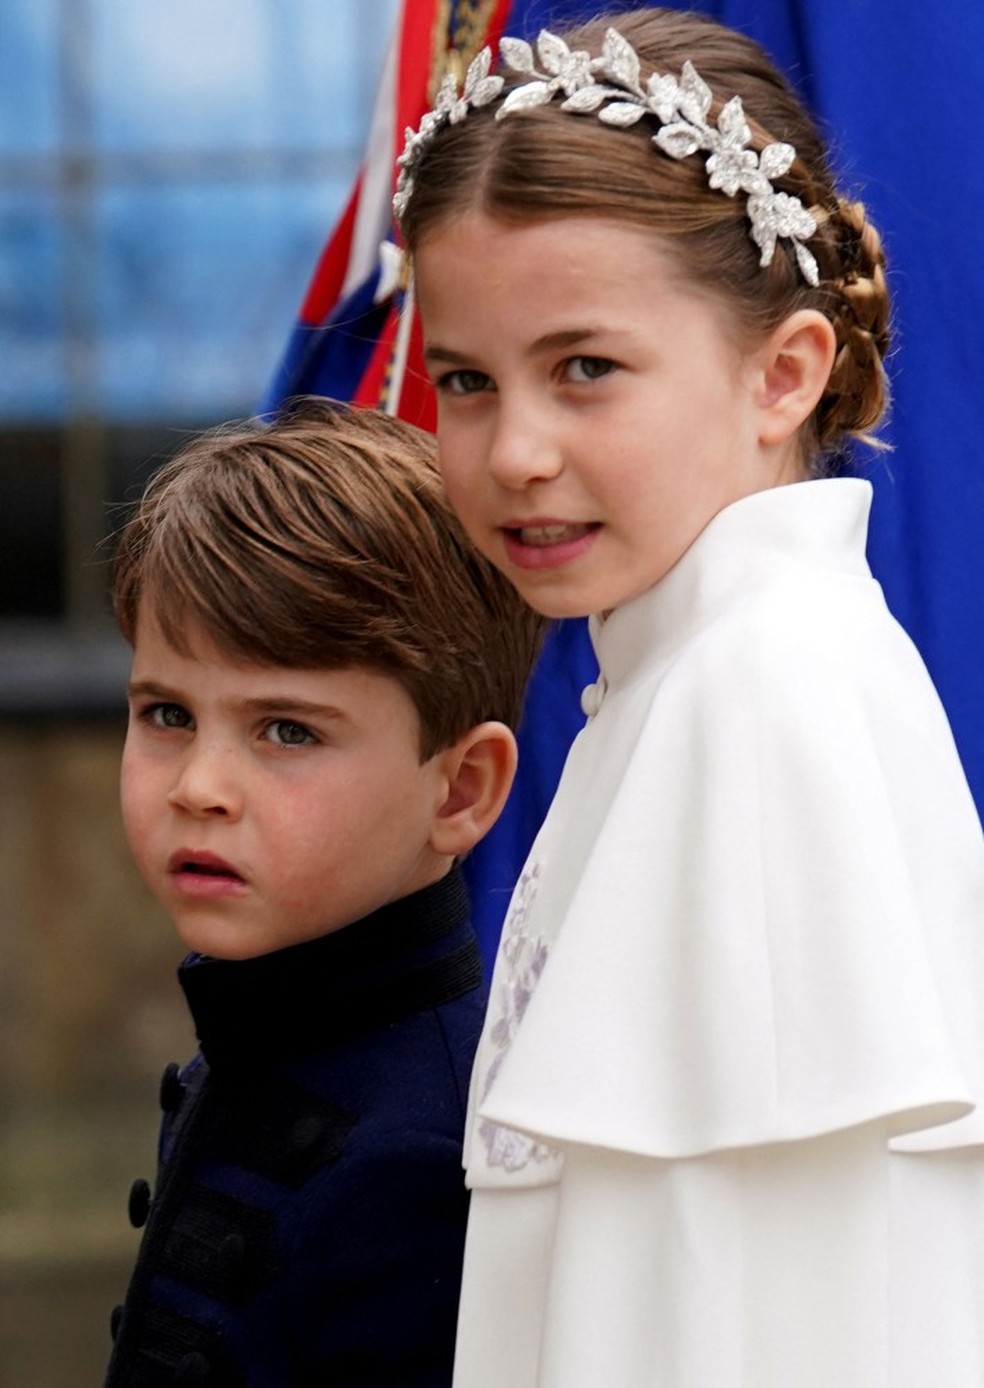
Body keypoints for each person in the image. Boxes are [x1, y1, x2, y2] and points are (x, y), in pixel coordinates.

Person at [394, 8, 984, 1386]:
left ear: (784, 374)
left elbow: (763, 1300)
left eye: (584, 370)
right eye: (466, 383)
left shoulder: (756, 704)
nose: (516, 451)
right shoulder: (686, 675)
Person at [102, 399, 544, 1387]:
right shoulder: (264, 1029)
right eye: (168, 712)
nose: (199, 785)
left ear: (461, 786)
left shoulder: (417, 1158)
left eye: (286, 729)